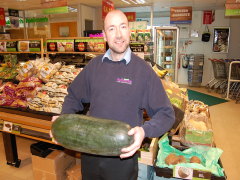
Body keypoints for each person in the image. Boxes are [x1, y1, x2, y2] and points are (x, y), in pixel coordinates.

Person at [53, 9, 175, 180]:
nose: (118, 34)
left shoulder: (144, 71)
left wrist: (144, 131)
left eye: (122, 27)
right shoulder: (94, 67)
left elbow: (167, 114)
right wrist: (63, 120)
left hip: (123, 159)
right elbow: (73, 96)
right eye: (111, 29)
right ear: (104, 36)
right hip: (89, 154)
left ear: (129, 31)